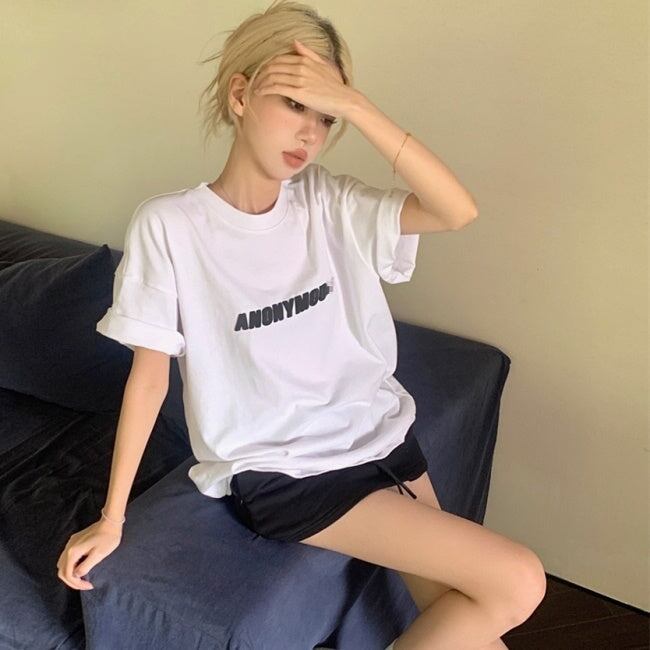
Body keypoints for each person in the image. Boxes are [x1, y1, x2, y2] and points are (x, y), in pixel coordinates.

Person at [57, 1, 546, 648]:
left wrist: (359, 107)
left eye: (326, 116)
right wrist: (112, 518)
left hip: (376, 434)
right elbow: (149, 380)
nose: (310, 134)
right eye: (295, 104)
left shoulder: (328, 201)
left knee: (472, 622)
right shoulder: (171, 226)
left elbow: (456, 211)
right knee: (519, 581)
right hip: (286, 472)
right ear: (240, 95)